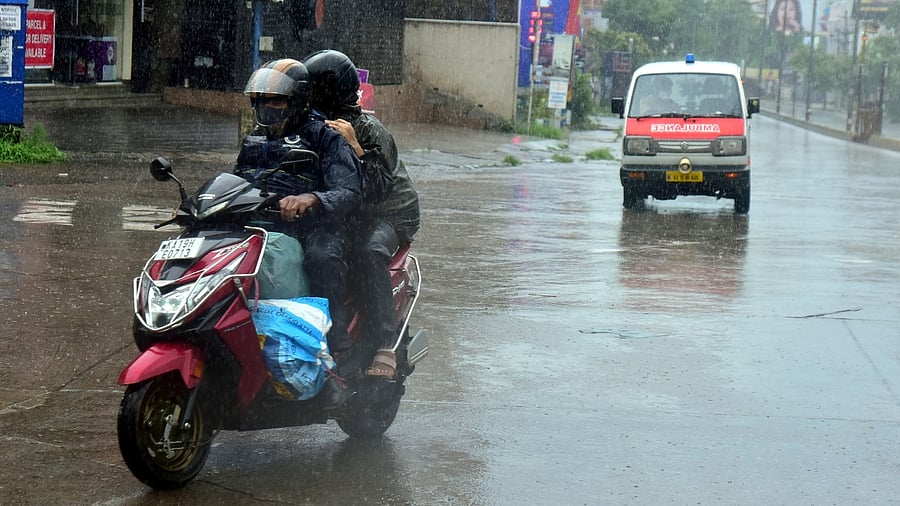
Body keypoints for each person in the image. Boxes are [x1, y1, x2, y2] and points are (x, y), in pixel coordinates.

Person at [233, 58, 364, 356]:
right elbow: (235, 179)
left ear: (298, 100)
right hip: (261, 222)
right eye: (261, 100)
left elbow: (349, 189)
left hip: (313, 227)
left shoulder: (324, 136)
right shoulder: (254, 139)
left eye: (276, 101)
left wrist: (312, 199)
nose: (267, 107)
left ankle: (336, 347)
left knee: (321, 258)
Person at [304, 49, 421, 379]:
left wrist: (356, 148)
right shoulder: (312, 125)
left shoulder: (369, 130)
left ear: (328, 91)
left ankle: (385, 342)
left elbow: (379, 187)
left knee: (367, 251)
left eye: (313, 90)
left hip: (389, 211)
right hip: (350, 208)